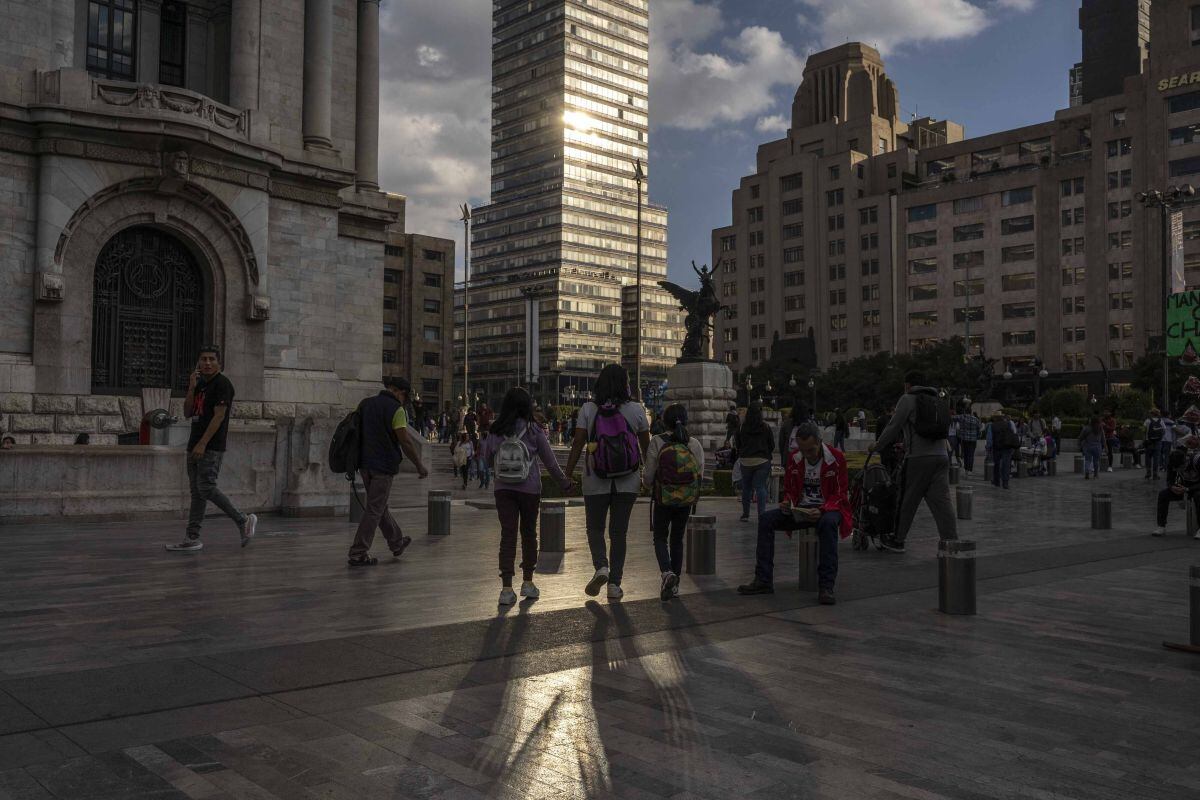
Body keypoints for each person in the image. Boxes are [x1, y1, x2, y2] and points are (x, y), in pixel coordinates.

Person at [737, 422, 850, 605]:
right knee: (766, 520)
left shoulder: (836, 458)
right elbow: (790, 489)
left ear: (820, 442)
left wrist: (822, 510)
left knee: (828, 524)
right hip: (801, 509)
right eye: (803, 450)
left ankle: (826, 586)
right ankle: (763, 580)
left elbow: (840, 494)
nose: (807, 455)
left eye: (811, 450)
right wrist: (787, 502)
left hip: (827, 510)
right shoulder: (795, 458)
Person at [479, 387, 573, 605]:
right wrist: (565, 484)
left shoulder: (496, 430)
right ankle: (528, 582)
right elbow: (550, 463)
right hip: (529, 489)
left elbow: (486, 458)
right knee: (529, 534)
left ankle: (506, 588)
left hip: (503, 489)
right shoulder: (534, 430)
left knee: (508, 535)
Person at [564, 363, 650, 600]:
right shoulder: (636, 410)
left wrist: (567, 474)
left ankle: (601, 566)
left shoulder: (588, 409)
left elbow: (578, 444)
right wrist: (649, 478)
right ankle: (614, 584)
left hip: (595, 479)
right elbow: (646, 448)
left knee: (595, 528)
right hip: (628, 481)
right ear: (625, 384)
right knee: (619, 532)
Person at [166, 345, 257, 553]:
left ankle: (242, 520)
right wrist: (191, 387)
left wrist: (203, 443)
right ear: (198, 363)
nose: (207, 363)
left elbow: (219, 417)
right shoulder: (200, 385)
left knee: (206, 487)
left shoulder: (222, 384)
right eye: (203, 359)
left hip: (210, 446)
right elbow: (188, 412)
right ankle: (192, 538)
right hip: (194, 444)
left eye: (211, 359)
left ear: (219, 363)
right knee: (197, 493)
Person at [870, 371, 957, 553]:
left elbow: (893, 426)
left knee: (906, 500)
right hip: (942, 457)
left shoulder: (908, 399)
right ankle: (951, 541)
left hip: (918, 458)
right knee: (942, 502)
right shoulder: (938, 399)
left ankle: (897, 540)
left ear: (908, 385)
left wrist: (877, 446)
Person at [347, 376, 428, 566]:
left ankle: (396, 542)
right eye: (405, 397)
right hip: (383, 467)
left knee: (378, 505)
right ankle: (358, 552)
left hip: (364, 464)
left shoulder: (365, 404)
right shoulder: (396, 409)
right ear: (400, 392)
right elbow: (405, 441)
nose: (405, 401)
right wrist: (419, 464)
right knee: (375, 508)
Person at [643, 403, 705, 602]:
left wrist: (647, 485)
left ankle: (667, 573)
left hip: (663, 499)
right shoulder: (694, 444)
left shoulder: (657, 442)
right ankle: (674, 584)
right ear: (685, 421)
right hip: (685, 500)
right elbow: (699, 473)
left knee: (660, 537)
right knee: (677, 539)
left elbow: (649, 475)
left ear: (664, 422)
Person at [734, 401, 775, 522]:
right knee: (761, 487)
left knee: (746, 488)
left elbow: (738, 444)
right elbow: (772, 445)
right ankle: (761, 515)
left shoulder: (742, 427)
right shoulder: (766, 427)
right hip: (762, 460)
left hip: (746, 461)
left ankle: (745, 514)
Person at [1153, 434, 1200, 538]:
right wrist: (1172, 487)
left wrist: (1188, 489)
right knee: (1163, 495)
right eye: (1176, 469)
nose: (1178, 470)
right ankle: (1161, 526)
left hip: (1196, 487)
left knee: (1198, 496)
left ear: (1185, 461)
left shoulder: (1197, 460)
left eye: (1181, 467)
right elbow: (1169, 479)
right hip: (1183, 487)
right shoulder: (1173, 462)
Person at [986, 412, 1018, 490]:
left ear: (995, 418)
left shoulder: (992, 425)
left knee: (997, 464)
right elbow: (1013, 433)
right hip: (1007, 447)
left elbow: (989, 438)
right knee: (1006, 465)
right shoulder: (1008, 423)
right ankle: (1005, 483)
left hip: (997, 447)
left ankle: (997, 481)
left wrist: (989, 447)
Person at [956, 406, 981, 474]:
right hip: (973, 440)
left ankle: (966, 469)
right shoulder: (976, 419)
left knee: (965, 454)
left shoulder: (962, 417)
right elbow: (979, 430)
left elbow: (953, 417)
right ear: (971, 412)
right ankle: (970, 470)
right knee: (971, 455)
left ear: (965, 411)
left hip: (964, 439)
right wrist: (977, 436)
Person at [1144, 408, 1167, 480]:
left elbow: (1144, 431)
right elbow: (1164, 431)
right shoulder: (1161, 421)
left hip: (1149, 441)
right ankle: (1155, 474)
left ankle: (1148, 473)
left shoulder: (1147, 421)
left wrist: (1144, 439)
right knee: (1156, 458)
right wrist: (1160, 437)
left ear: (1152, 413)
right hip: (1158, 442)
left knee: (1148, 457)